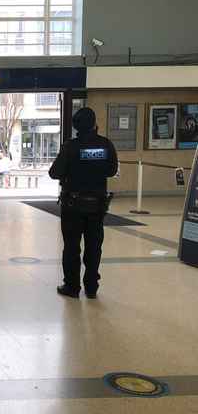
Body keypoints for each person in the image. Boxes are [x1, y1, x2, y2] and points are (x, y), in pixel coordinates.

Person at [49, 107, 118, 299]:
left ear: (76, 126)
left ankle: (72, 286)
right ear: (94, 123)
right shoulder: (105, 145)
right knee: (94, 245)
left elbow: (54, 172)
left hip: (73, 205)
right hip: (97, 206)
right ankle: (91, 287)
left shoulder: (71, 146)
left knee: (72, 246)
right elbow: (112, 170)